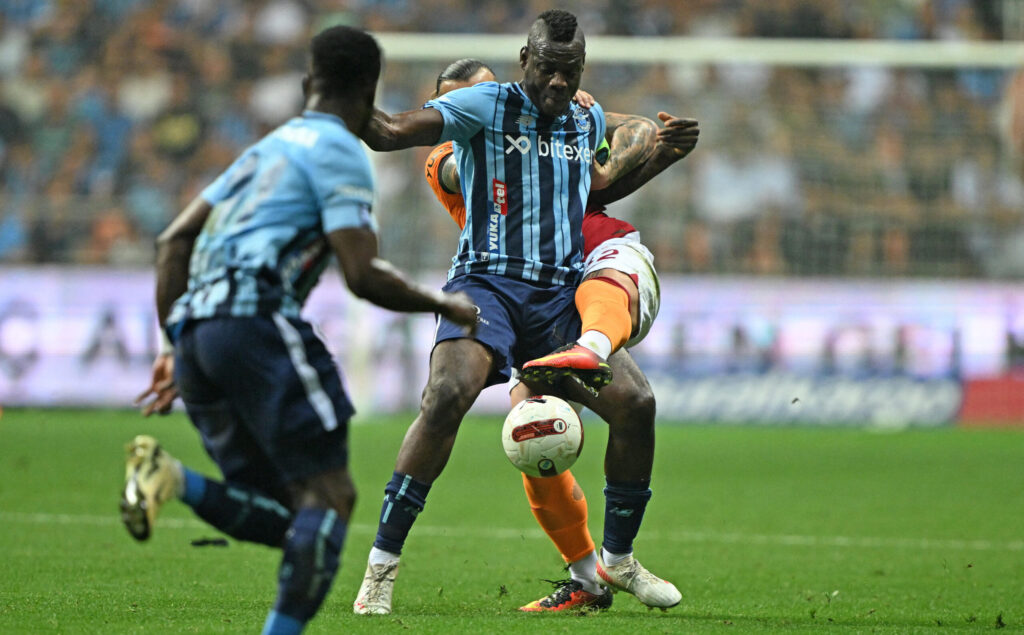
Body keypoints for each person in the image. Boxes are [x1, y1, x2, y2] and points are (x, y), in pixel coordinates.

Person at [123, 25, 478, 635]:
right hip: (256, 324)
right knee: (333, 497)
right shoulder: (342, 151)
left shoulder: (267, 146)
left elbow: (173, 240)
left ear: (307, 83)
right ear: (370, 92)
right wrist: (445, 304)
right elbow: (361, 274)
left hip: (196, 336)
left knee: (287, 510)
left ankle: (173, 479)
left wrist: (173, 345)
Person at [351, 10, 698, 616]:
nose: (558, 84)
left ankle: (612, 560)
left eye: (569, 72)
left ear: (580, 69)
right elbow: (387, 131)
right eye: (547, 71)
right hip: (488, 287)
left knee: (636, 406)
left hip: (559, 296)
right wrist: (342, 93)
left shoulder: (585, 117)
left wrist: (662, 154)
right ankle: (382, 567)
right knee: (446, 396)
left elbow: (593, 190)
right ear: (524, 61)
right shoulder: (481, 111)